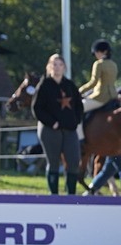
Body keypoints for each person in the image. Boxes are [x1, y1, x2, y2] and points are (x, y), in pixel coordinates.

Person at [32, 53, 84, 195]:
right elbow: (37, 108)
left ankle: (71, 196)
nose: (57, 67)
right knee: (53, 163)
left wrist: (75, 121)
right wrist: (52, 122)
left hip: (69, 130)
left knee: (73, 162)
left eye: (60, 64)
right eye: (54, 64)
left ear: (64, 67)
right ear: (49, 67)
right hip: (50, 130)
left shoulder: (70, 85)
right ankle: (54, 196)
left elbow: (79, 106)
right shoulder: (44, 85)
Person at [79, 39, 117, 120]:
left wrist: (80, 91)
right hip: (113, 96)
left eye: (96, 52)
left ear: (104, 51)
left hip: (101, 97)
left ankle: (79, 132)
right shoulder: (114, 64)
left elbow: (93, 82)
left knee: (77, 108)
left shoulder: (98, 64)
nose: (95, 54)